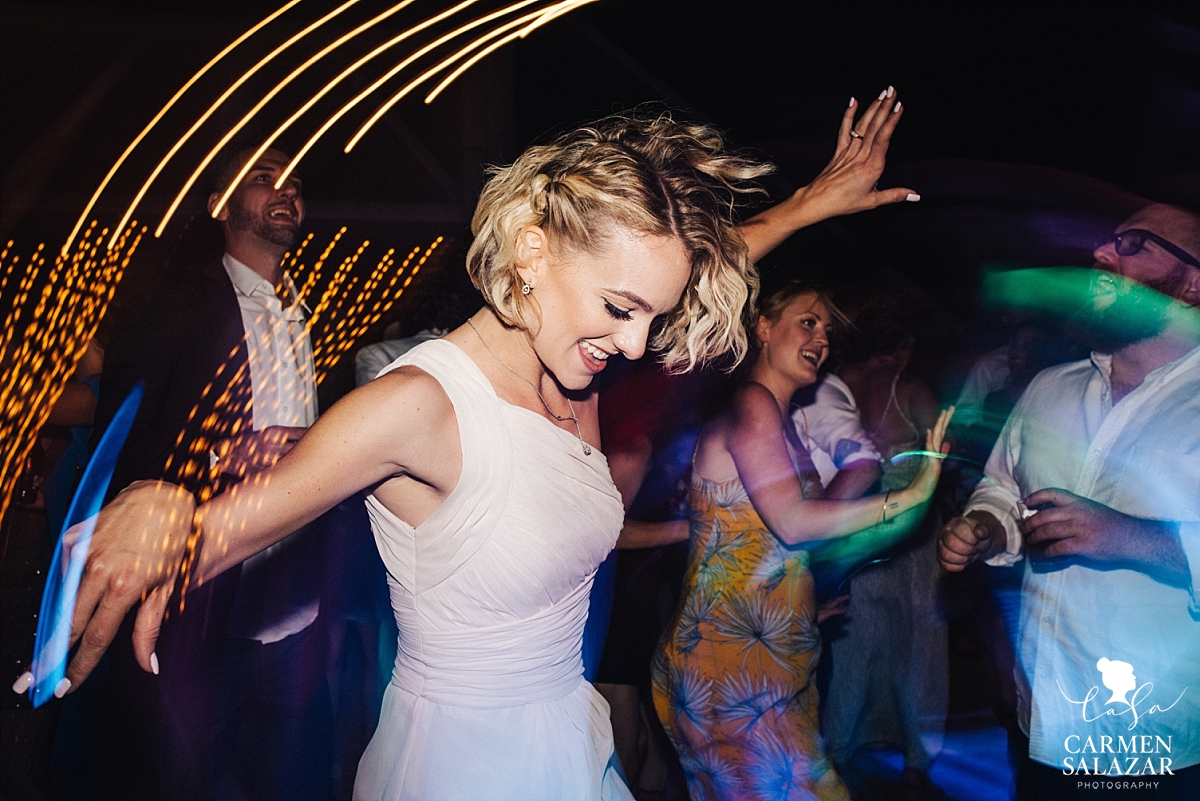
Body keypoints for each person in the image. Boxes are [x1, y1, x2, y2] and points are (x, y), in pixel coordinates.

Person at [39, 90, 920, 799]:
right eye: (621, 309)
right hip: (465, 768)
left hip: (570, 741)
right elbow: (234, 525)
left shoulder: (574, 359)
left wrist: (815, 200)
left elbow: (690, 261)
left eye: (653, 315)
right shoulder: (421, 403)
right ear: (531, 253)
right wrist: (170, 507)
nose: (640, 342)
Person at [58, 147, 334, 800]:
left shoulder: (300, 312)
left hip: (296, 612)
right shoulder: (180, 306)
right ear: (221, 205)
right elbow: (127, 435)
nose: (284, 190)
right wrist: (218, 459)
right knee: (182, 779)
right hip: (205, 606)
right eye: (264, 179)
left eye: (293, 181)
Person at [652, 279, 953, 801]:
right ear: (763, 328)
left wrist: (803, 606)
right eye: (807, 322)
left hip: (771, 653)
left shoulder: (785, 422)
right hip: (727, 664)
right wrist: (906, 497)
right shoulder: (752, 402)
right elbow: (792, 521)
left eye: (828, 330)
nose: (821, 339)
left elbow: (769, 541)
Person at [938, 204, 1200, 801]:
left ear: (1192, 282)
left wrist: (1131, 536)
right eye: (1107, 242)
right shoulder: (1050, 387)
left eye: (1134, 245)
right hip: (1047, 723)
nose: (1102, 256)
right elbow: (1005, 489)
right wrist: (984, 525)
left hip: (1160, 741)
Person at [819, 298, 948, 798]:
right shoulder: (910, 390)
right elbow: (944, 461)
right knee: (919, 652)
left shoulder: (833, 387)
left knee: (853, 649)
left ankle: (841, 752)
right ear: (902, 348)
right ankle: (917, 761)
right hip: (913, 542)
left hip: (857, 537)